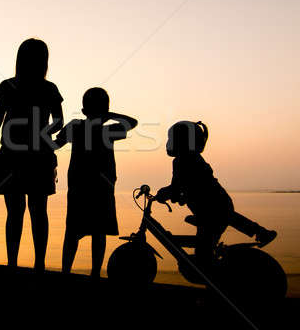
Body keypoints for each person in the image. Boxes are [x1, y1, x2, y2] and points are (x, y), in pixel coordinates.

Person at [155, 121, 277, 270]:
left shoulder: (184, 160)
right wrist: (173, 194)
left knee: (203, 254)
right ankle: (260, 232)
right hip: (214, 206)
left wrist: (164, 194)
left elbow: (179, 186)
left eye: (173, 139)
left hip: (211, 209)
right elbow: (184, 187)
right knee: (225, 218)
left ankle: (212, 279)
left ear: (183, 141)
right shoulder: (191, 158)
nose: (169, 143)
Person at [0, 38, 64, 272]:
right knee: (38, 212)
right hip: (39, 156)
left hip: (11, 154)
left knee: (15, 213)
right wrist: (43, 134)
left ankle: (13, 263)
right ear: (45, 61)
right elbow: (59, 122)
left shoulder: (8, 85)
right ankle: (39, 264)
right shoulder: (49, 88)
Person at [54, 87, 137, 278]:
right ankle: (95, 274)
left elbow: (56, 144)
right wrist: (110, 114)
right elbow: (132, 123)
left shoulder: (77, 126)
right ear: (105, 111)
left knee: (74, 232)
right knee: (97, 233)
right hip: (98, 187)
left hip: (81, 187)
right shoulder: (109, 130)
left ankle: (67, 272)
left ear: (84, 111)